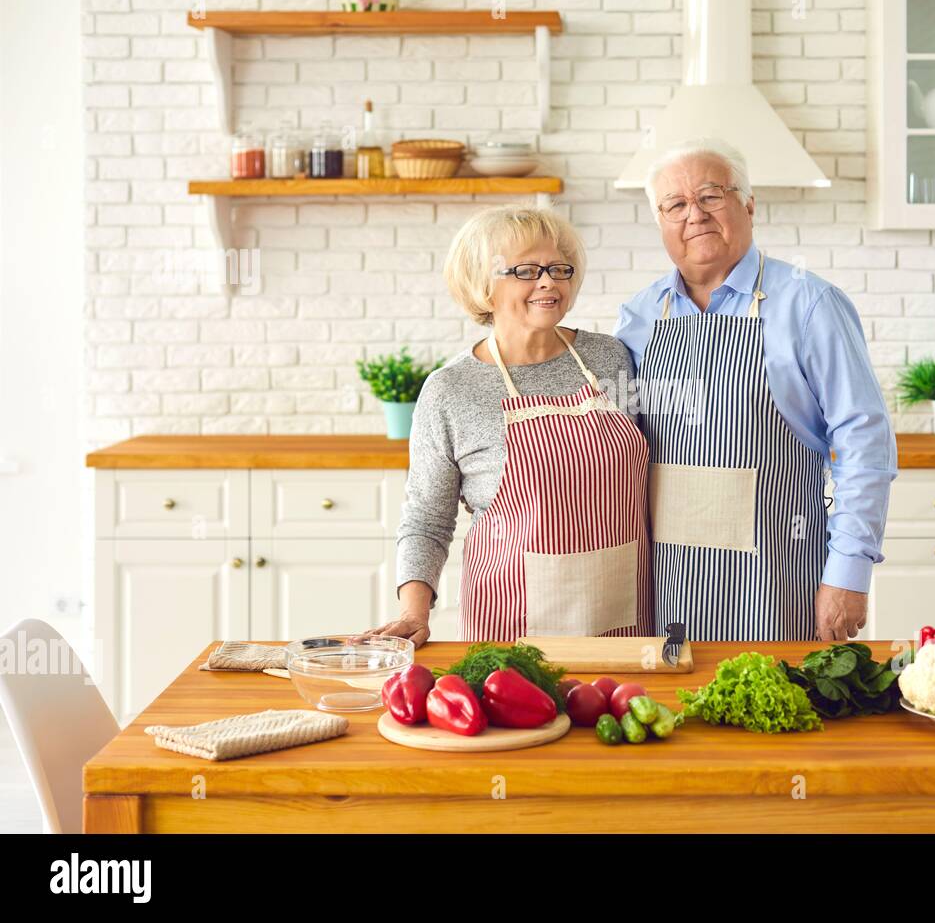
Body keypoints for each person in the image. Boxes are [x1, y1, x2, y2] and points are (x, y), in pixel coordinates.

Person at [615, 138, 896, 641]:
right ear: (660, 223)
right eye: (675, 205)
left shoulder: (810, 304)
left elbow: (864, 440)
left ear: (749, 204)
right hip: (665, 584)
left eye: (711, 195)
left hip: (780, 576)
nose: (694, 215)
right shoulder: (638, 315)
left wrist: (848, 571)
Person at [373, 206, 652, 645]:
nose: (548, 282)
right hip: (511, 620)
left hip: (621, 612)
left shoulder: (611, 358)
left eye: (559, 269)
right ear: (483, 286)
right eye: (526, 270)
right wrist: (413, 612)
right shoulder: (451, 390)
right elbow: (427, 520)